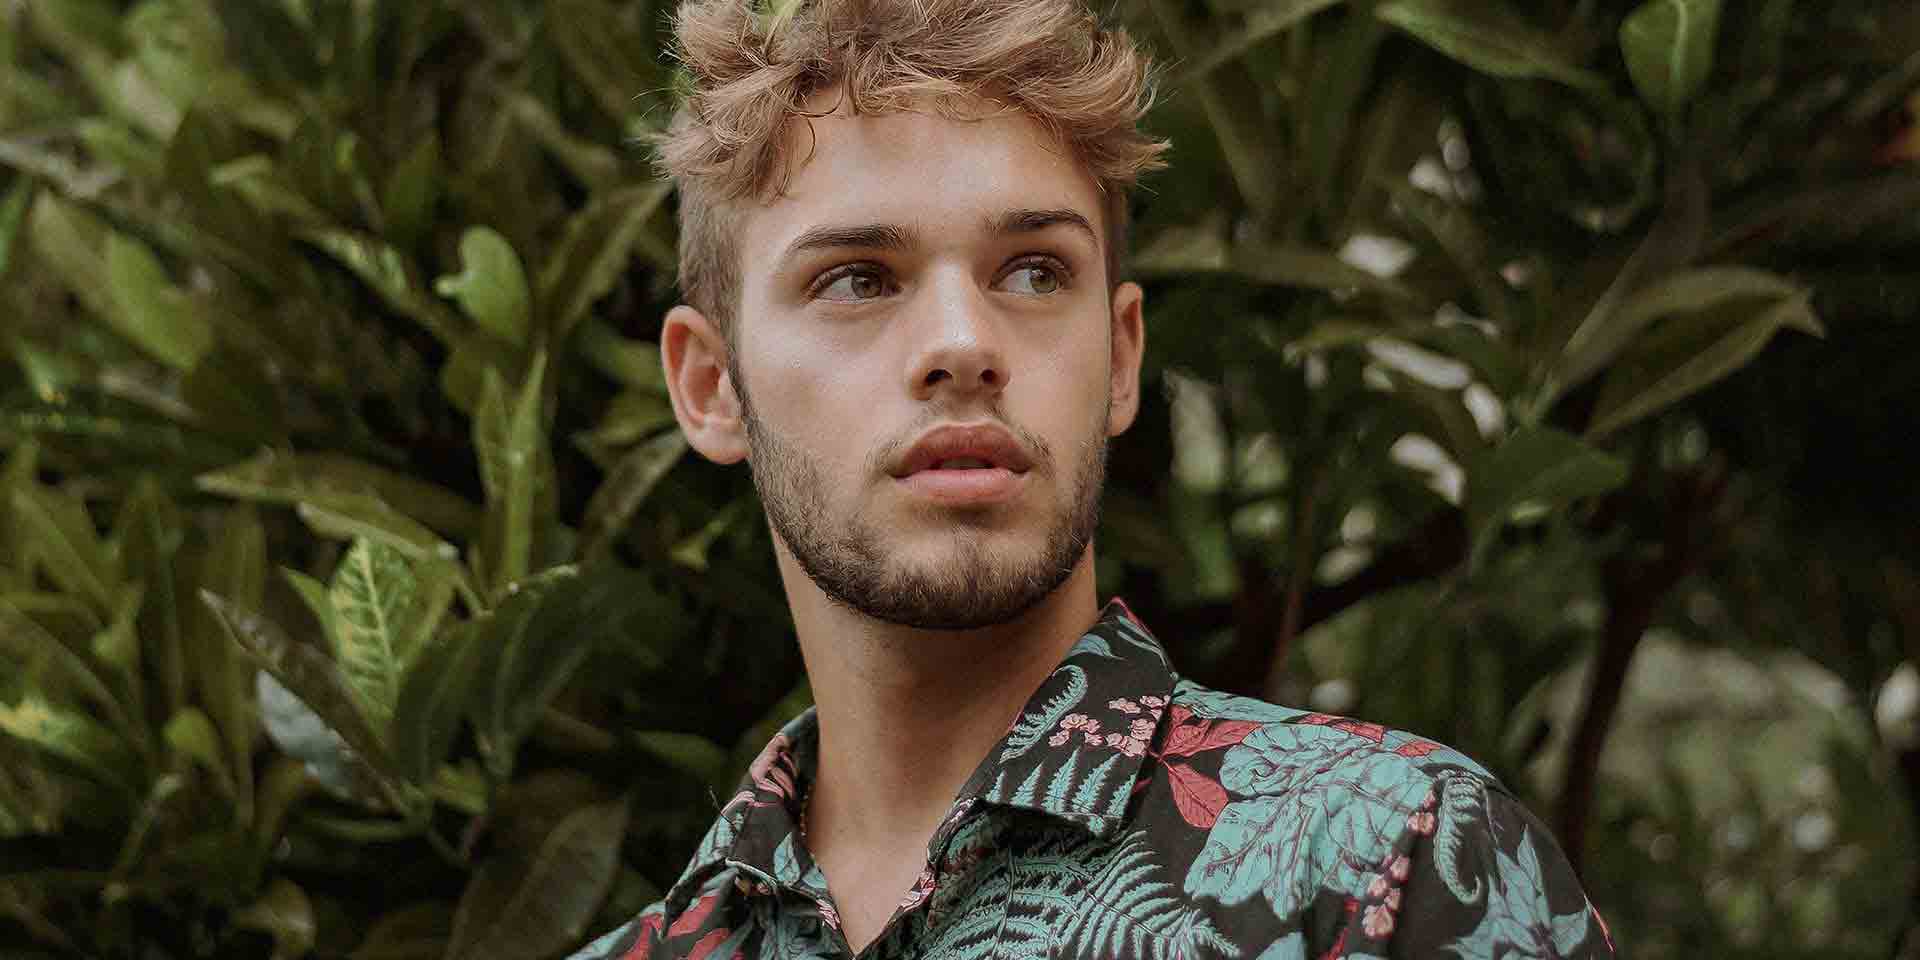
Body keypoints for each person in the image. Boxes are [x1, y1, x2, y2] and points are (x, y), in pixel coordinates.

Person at [572, 0, 1614, 956]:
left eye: (1035, 271)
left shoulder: (1391, 854)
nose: (963, 343)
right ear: (710, 385)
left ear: (1120, 358)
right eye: (857, 279)